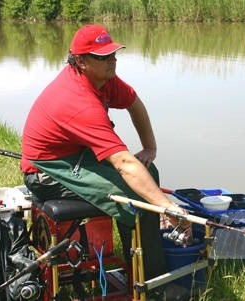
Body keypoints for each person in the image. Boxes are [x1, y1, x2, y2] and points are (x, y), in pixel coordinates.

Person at [20, 24, 189, 300]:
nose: (112, 60)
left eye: (113, 53)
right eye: (102, 56)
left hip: (75, 153)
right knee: (133, 192)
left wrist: (149, 147)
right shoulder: (78, 101)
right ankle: (150, 282)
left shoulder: (104, 79)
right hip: (45, 170)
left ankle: (145, 268)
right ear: (80, 62)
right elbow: (123, 162)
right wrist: (168, 207)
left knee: (148, 171)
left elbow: (134, 102)